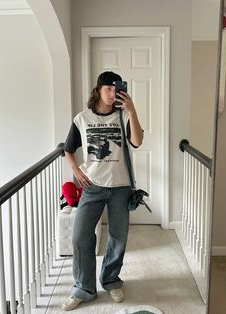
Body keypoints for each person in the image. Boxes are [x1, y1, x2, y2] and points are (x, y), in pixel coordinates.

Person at [62, 71, 143, 311]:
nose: (111, 93)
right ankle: (84, 288)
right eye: (107, 88)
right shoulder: (82, 118)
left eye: (115, 88)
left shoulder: (124, 115)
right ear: (98, 90)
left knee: (118, 237)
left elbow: (137, 142)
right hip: (92, 186)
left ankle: (110, 279)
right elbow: (68, 148)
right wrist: (76, 170)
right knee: (80, 237)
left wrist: (132, 111)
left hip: (120, 187)